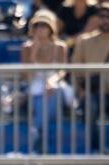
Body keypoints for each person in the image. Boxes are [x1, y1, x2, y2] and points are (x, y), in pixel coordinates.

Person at [21, 9, 72, 152]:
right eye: (37, 25)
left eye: (43, 25)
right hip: (34, 85)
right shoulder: (26, 48)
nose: (40, 29)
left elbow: (62, 71)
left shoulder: (60, 46)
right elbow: (26, 76)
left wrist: (52, 81)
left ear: (50, 28)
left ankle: (37, 131)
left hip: (55, 84)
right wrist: (33, 54)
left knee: (51, 93)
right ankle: (41, 138)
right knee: (42, 98)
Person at [71, 2, 109, 150]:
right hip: (92, 93)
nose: (105, 20)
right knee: (90, 106)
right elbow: (75, 68)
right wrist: (80, 91)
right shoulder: (85, 41)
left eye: (108, 16)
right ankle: (97, 148)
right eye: (102, 16)